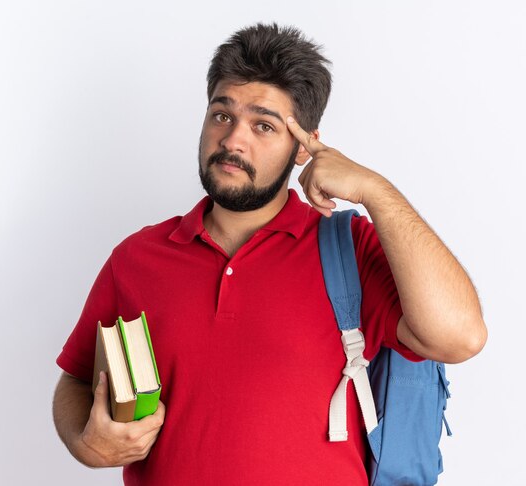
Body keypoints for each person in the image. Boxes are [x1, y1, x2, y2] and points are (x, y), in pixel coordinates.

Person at [53, 23, 487, 485]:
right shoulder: (138, 258)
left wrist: (376, 192)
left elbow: (459, 337)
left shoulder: (349, 248)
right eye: (222, 115)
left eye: (264, 125)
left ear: (305, 146)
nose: (234, 140)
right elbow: (77, 378)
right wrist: (85, 440)